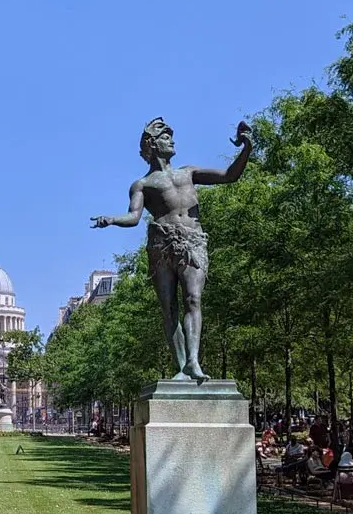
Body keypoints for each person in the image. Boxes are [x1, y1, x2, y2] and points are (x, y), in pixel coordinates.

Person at [90, 117, 254, 381]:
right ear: (152, 145)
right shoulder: (142, 184)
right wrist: (110, 219)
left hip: (192, 242)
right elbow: (133, 217)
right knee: (169, 308)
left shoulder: (188, 173)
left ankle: (193, 361)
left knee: (193, 299)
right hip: (161, 246)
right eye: (166, 137)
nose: (172, 141)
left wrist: (246, 149)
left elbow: (229, 176)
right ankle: (181, 366)